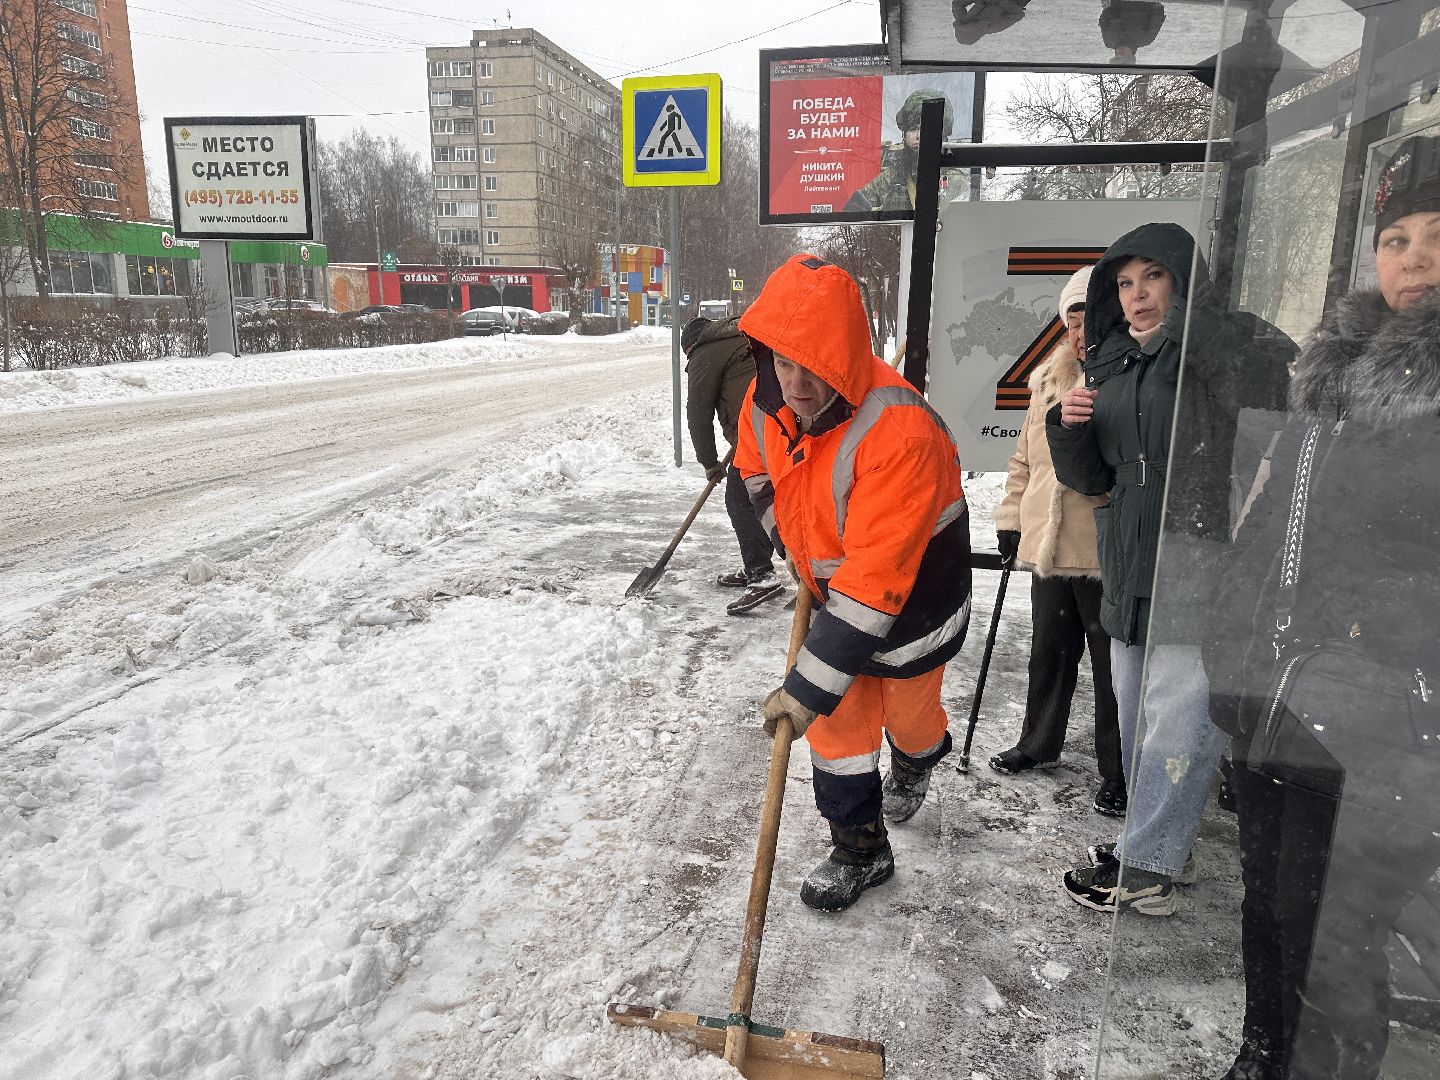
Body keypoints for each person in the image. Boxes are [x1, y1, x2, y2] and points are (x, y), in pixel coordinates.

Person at [1205, 133, 1440, 1080]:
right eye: (1397, 239)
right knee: (1270, 900)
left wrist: (1359, 633)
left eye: (1437, 234)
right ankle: (1264, 1055)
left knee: (1340, 931)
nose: (1414, 256)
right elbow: (1270, 535)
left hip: (1389, 727)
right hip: (1284, 701)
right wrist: (1232, 653)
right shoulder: (1329, 378)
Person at [1046, 222, 1294, 916]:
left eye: (1152, 277)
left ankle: (1149, 866)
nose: (1137, 295)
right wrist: (1066, 427)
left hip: (1200, 552)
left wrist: (1206, 330)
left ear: (1182, 280)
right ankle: (1155, 842)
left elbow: (1266, 411)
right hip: (1128, 555)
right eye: (1124, 283)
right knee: (1135, 710)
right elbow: (1095, 477)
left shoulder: (1219, 349)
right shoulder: (1115, 364)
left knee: (1180, 715)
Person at [735, 253, 972, 912]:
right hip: (835, 600)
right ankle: (860, 847)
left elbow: (876, 584)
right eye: (784, 362)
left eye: (816, 365)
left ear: (849, 352)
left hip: (914, 607)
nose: (798, 384)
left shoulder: (899, 430)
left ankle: (920, 759)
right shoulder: (765, 404)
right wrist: (789, 544)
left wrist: (804, 687)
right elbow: (756, 478)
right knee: (836, 733)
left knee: (910, 718)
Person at [990, 266, 1125, 817]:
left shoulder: (1124, 380)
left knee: (1111, 666)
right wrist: (1010, 518)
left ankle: (1117, 770)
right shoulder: (1047, 379)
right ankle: (1038, 743)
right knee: (1049, 651)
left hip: (1100, 549)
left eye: (1088, 317)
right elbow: (1023, 458)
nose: (1078, 330)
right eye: (1071, 319)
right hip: (1048, 543)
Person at [681, 315, 783, 616]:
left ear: (689, 347)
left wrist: (710, 464)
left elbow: (697, 414)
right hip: (781, 425)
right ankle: (758, 565)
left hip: (758, 431)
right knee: (758, 497)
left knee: (739, 499)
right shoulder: (742, 337)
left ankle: (761, 574)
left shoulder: (704, 352)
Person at [843, 91, 955, 214]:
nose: (918, 136)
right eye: (912, 129)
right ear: (904, 135)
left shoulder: (955, 177)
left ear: (942, 135)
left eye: (924, 129)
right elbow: (854, 209)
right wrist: (882, 214)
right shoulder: (893, 175)